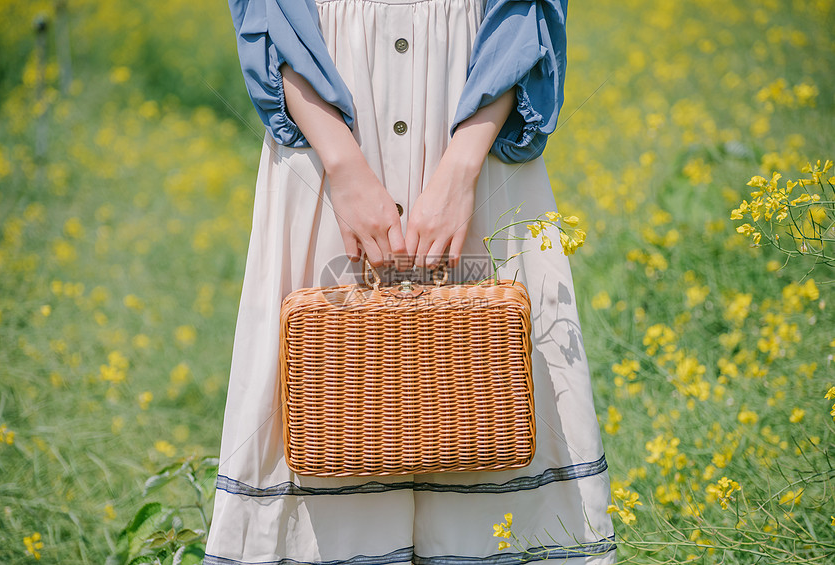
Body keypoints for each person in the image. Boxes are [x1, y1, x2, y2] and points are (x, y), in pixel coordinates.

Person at [203, 0, 616, 563]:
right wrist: (343, 167)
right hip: (325, 127)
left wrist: (461, 170)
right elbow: (272, 14)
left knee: (491, 398)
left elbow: (526, 12)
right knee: (330, 404)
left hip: (475, 117)